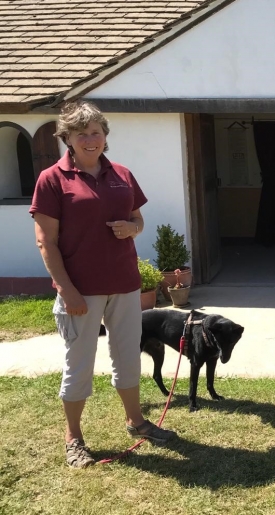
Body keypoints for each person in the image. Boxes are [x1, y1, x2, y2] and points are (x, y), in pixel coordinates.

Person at [30, 100, 176, 468]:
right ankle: (74, 438)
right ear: (68, 138)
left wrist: (133, 228)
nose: (91, 139)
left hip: (125, 285)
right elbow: (45, 241)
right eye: (82, 133)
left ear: (105, 135)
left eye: (96, 132)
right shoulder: (52, 179)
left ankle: (136, 421)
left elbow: (138, 220)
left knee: (127, 357)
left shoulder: (122, 174)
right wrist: (67, 290)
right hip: (80, 290)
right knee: (79, 364)